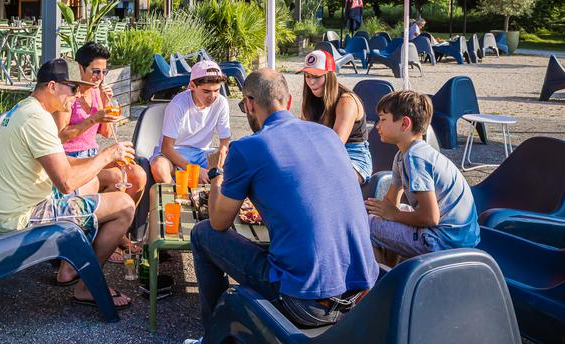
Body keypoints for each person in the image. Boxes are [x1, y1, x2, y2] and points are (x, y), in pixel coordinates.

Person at [187, 69, 378, 340]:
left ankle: (212, 336)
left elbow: (219, 222)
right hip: (363, 297)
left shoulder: (247, 148)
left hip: (304, 303)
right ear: (288, 102)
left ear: (250, 104)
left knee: (202, 233)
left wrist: (217, 172)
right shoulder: (328, 137)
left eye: (244, 105)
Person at [0, 57, 135, 309]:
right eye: (73, 88)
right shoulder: (38, 120)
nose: (76, 95)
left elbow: (61, 162)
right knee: (124, 205)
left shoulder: (25, 109)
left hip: (8, 209)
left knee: (91, 184)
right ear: (52, 86)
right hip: (22, 218)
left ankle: (70, 265)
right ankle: (87, 285)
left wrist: (101, 165)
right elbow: (65, 183)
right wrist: (108, 155)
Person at [53, 42, 147, 260]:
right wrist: (92, 118)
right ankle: (103, 240)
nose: (100, 77)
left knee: (137, 174)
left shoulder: (97, 93)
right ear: (80, 68)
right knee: (118, 177)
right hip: (70, 161)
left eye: (104, 72)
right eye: (95, 72)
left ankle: (116, 233)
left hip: (92, 156)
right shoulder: (69, 95)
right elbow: (59, 136)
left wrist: (106, 105)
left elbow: (105, 132)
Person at [365, 90, 480, 265]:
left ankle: (379, 282)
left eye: (382, 119)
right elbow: (392, 202)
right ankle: (392, 270)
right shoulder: (403, 156)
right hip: (456, 236)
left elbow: (430, 217)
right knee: (387, 215)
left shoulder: (416, 158)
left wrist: (392, 216)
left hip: (446, 241)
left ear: (404, 124)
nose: (377, 126)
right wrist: (378, 210)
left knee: (367, 225)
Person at [150, 60, 231, 184]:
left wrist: (220, 161)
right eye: (206, 91)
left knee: (239, 156)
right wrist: (194, 171)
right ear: (192, 86)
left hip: (202, 154)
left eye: (217, 90)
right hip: (174, 155)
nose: (213, 96)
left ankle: (217, 196)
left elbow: (224, 142)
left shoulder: (221, 102)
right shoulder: (178, 105)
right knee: (159, 166)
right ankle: (177, 198)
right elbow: (166, 148)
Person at [299, 49, 372, 184]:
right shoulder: (309, 101)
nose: (311, 82)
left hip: (354, 158)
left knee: (316, 179)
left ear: (330, 76)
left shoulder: (346, 101)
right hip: (323, 156)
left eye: (316, 76)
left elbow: (335, 145)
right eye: (307, 76)